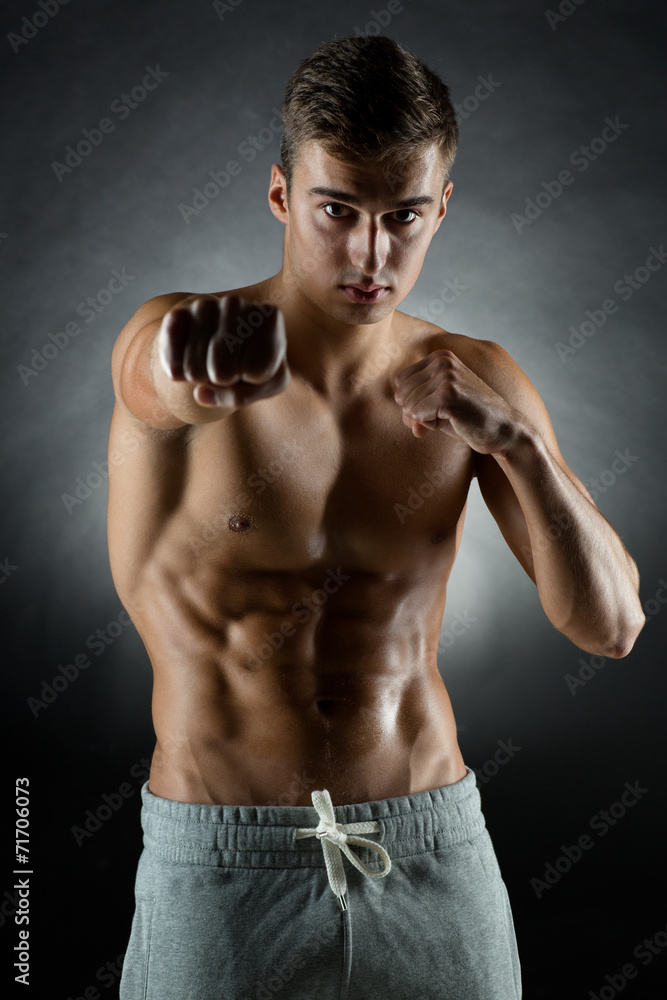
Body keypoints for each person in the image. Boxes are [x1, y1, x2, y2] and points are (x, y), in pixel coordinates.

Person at [111, 34, 644, 1000]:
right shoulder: (186, 334)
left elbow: (608, 626)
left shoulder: (477, 377)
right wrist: (182, 367)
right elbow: (152, 379)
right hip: (226, 862)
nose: (369, 255)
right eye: (336, 211)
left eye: (402, 216)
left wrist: (513, 441)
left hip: (429, 842)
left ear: (442, 208)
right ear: (281, 195)